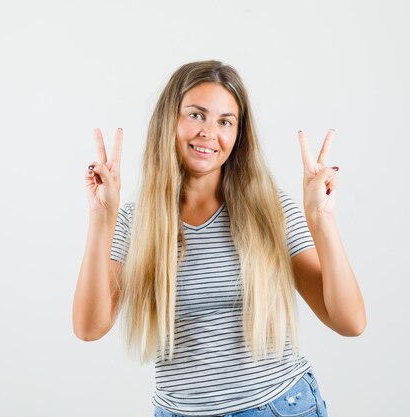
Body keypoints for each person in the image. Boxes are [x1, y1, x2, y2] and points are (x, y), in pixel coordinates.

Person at [73, 60, 366, 417]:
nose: (209, 133)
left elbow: (350, 321)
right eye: (196, 115)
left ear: (238, 135)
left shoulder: (269, 209)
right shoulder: (136, 222)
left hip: (277, 406)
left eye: (225, 122)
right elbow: (89, 327)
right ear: (170, 120)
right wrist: (102, 219)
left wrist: (321, 220)